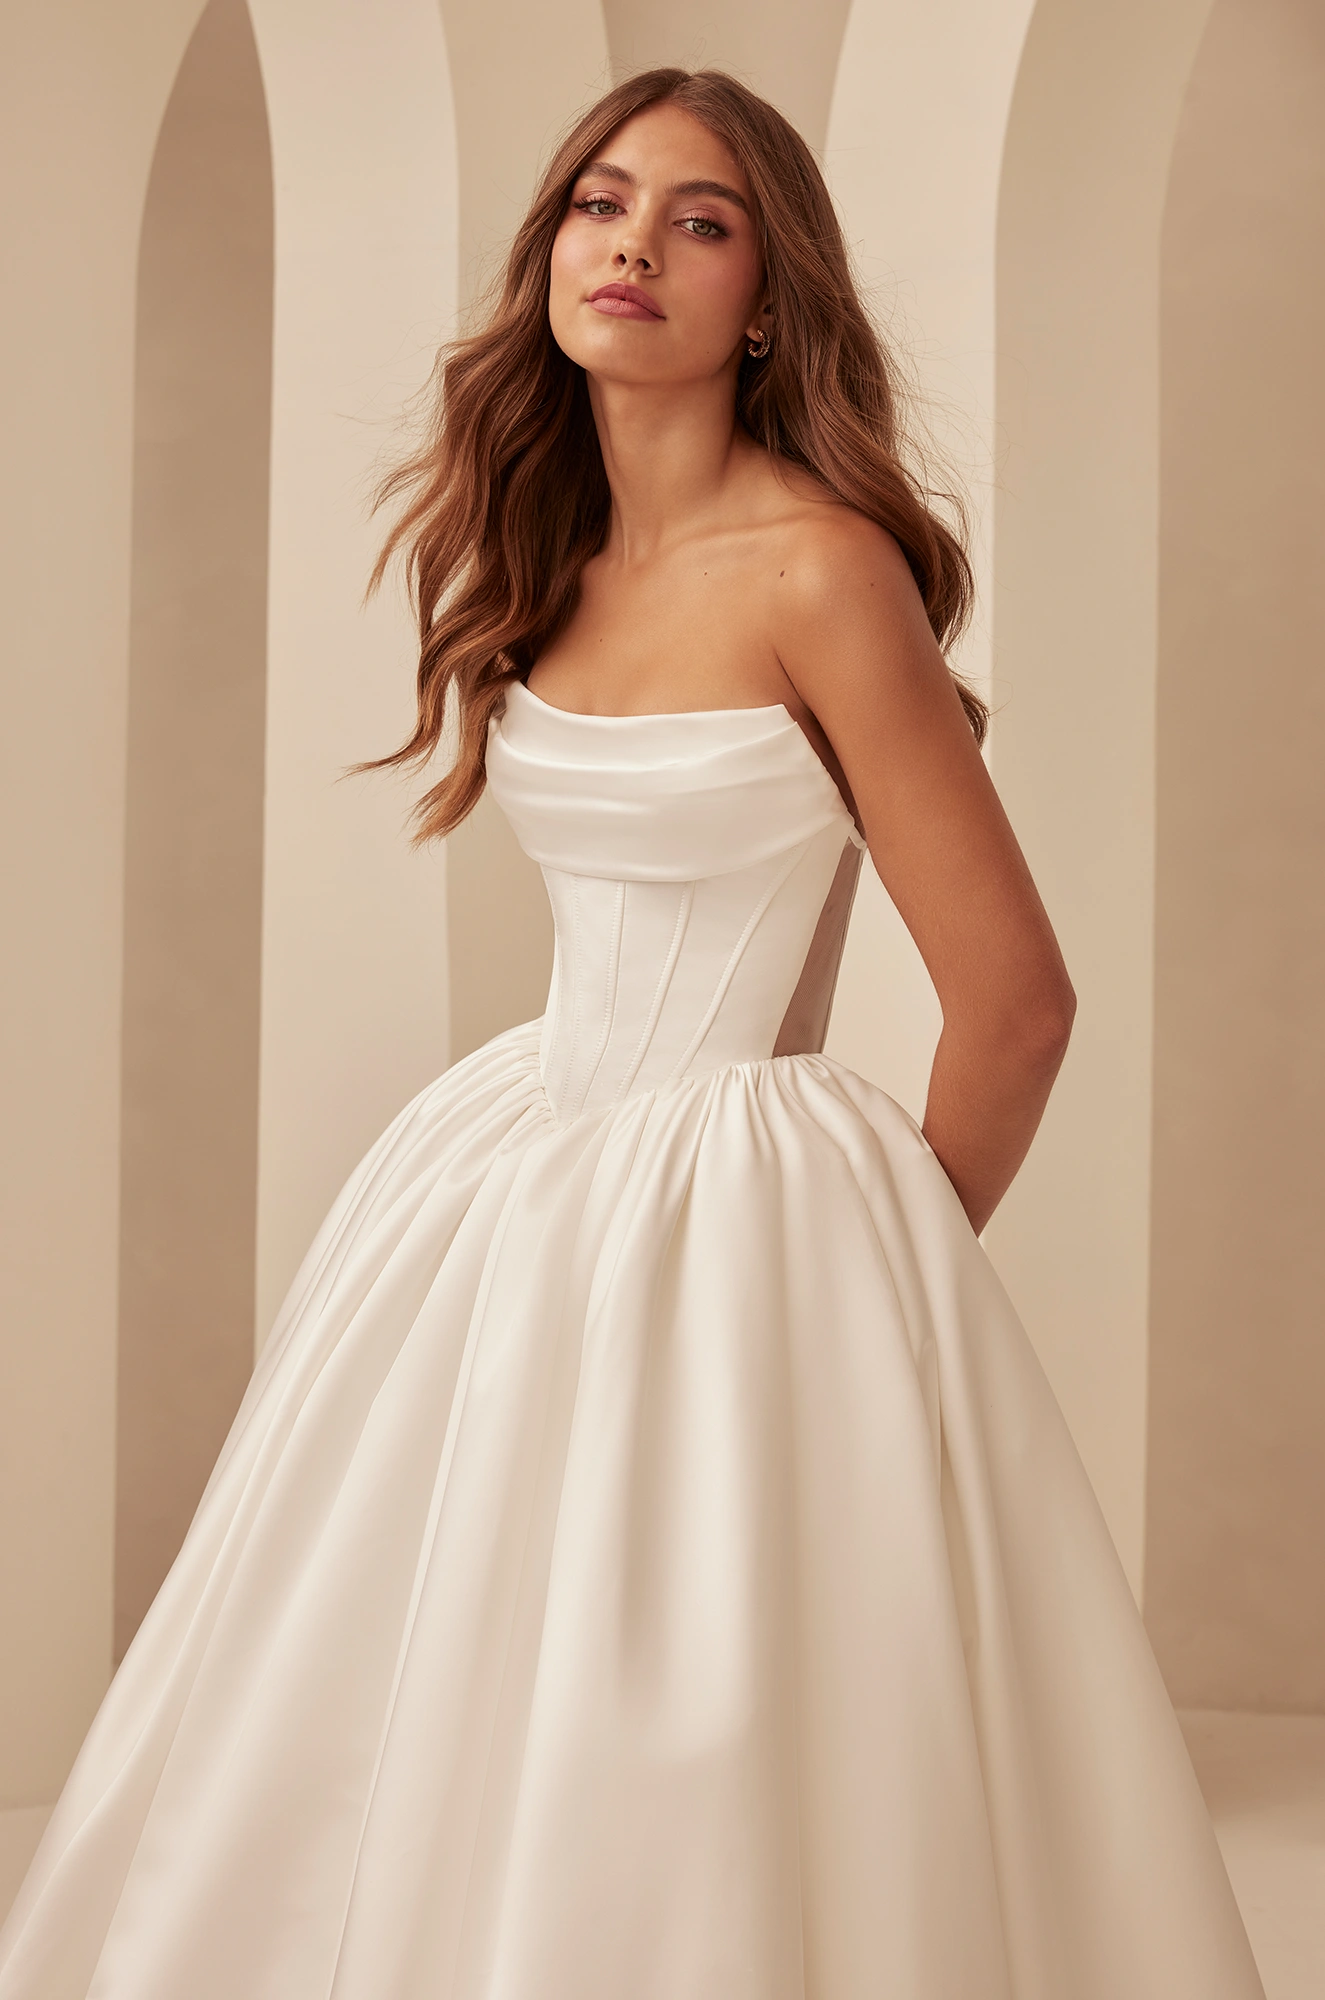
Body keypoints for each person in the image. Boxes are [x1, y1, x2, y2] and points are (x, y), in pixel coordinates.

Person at [0, 66, 1264, 2000]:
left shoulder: (826, 573)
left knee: (704, 1722)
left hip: (737, 1199)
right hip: (508, 1164)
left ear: (767, 298)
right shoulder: (546, 552)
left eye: (700, 219)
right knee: (418, 1666)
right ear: (553, 255)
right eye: (602, 203)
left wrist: (866, 1265)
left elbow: (1017, 1001)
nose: (634, 246)